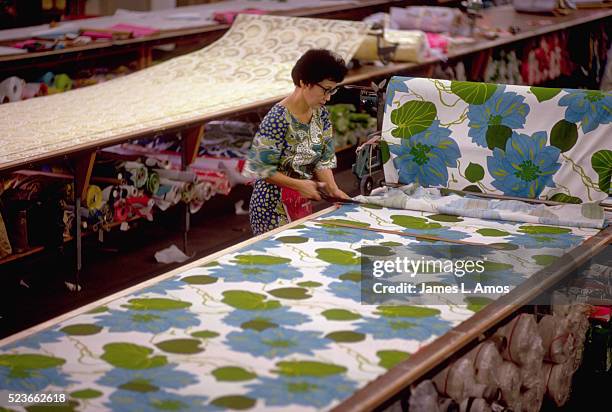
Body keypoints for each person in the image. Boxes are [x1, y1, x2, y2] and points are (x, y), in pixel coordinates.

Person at [243, 49, 350, 235]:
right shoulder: (277, 119)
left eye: (332, 90)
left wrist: (334, 190)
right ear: (304, 82)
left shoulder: (321, 114)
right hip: (271, 207)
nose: (329, 97)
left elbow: (322, 160)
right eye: (325, 90)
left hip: (300, 200)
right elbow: (260, 168)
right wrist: (300, 185)